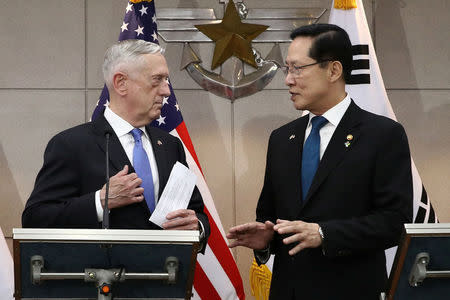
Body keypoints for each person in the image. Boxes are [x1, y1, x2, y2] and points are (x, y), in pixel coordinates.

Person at [227, 24, 413, 299]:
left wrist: (325, 233)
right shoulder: (281, 139)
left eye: (297, 68)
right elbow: (270, 215)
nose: (288, 80)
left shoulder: (382, 135)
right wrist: (266, 239)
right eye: (286, 69)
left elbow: (394, 222)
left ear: (334, 70)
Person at [22, 39, 209, 249]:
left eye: (166, 80)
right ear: (121, 83)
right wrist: (100, 201)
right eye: (157, 80)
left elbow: (196, 211)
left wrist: (197, 227)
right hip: (100, 277)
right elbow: (36, 218)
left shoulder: (170, 145)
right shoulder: (71, 145)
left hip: (164, 277)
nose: (166, 91)